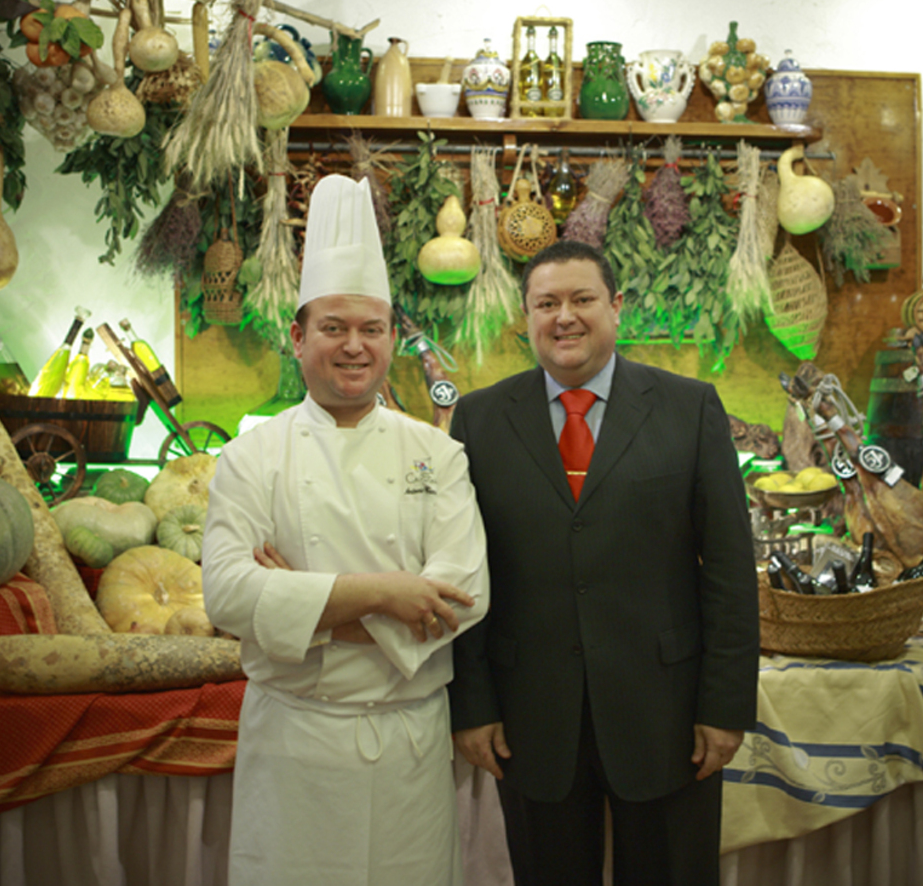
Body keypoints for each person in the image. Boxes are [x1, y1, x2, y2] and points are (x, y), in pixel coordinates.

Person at [202, 175, 490, 886]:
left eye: (370, 328)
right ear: (298, 338)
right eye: (333, 328)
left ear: (392, 337)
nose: (353, 346)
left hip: (408, 745)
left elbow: (463, 595)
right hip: (294, 738)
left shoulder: (439, 453)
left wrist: (305, 605)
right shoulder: (251, 455)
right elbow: (229, 596)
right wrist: (388, 593)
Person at [448, 240, 759, 886]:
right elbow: (464, 573)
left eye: (582, 299)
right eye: (546, 303)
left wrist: (726, 706)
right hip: (530, 720)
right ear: (526, 316)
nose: (565, 316)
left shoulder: (689, 407)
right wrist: (471, 705)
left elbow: (729, 569)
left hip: (668, 715)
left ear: (616, 308)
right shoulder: (478, 421)